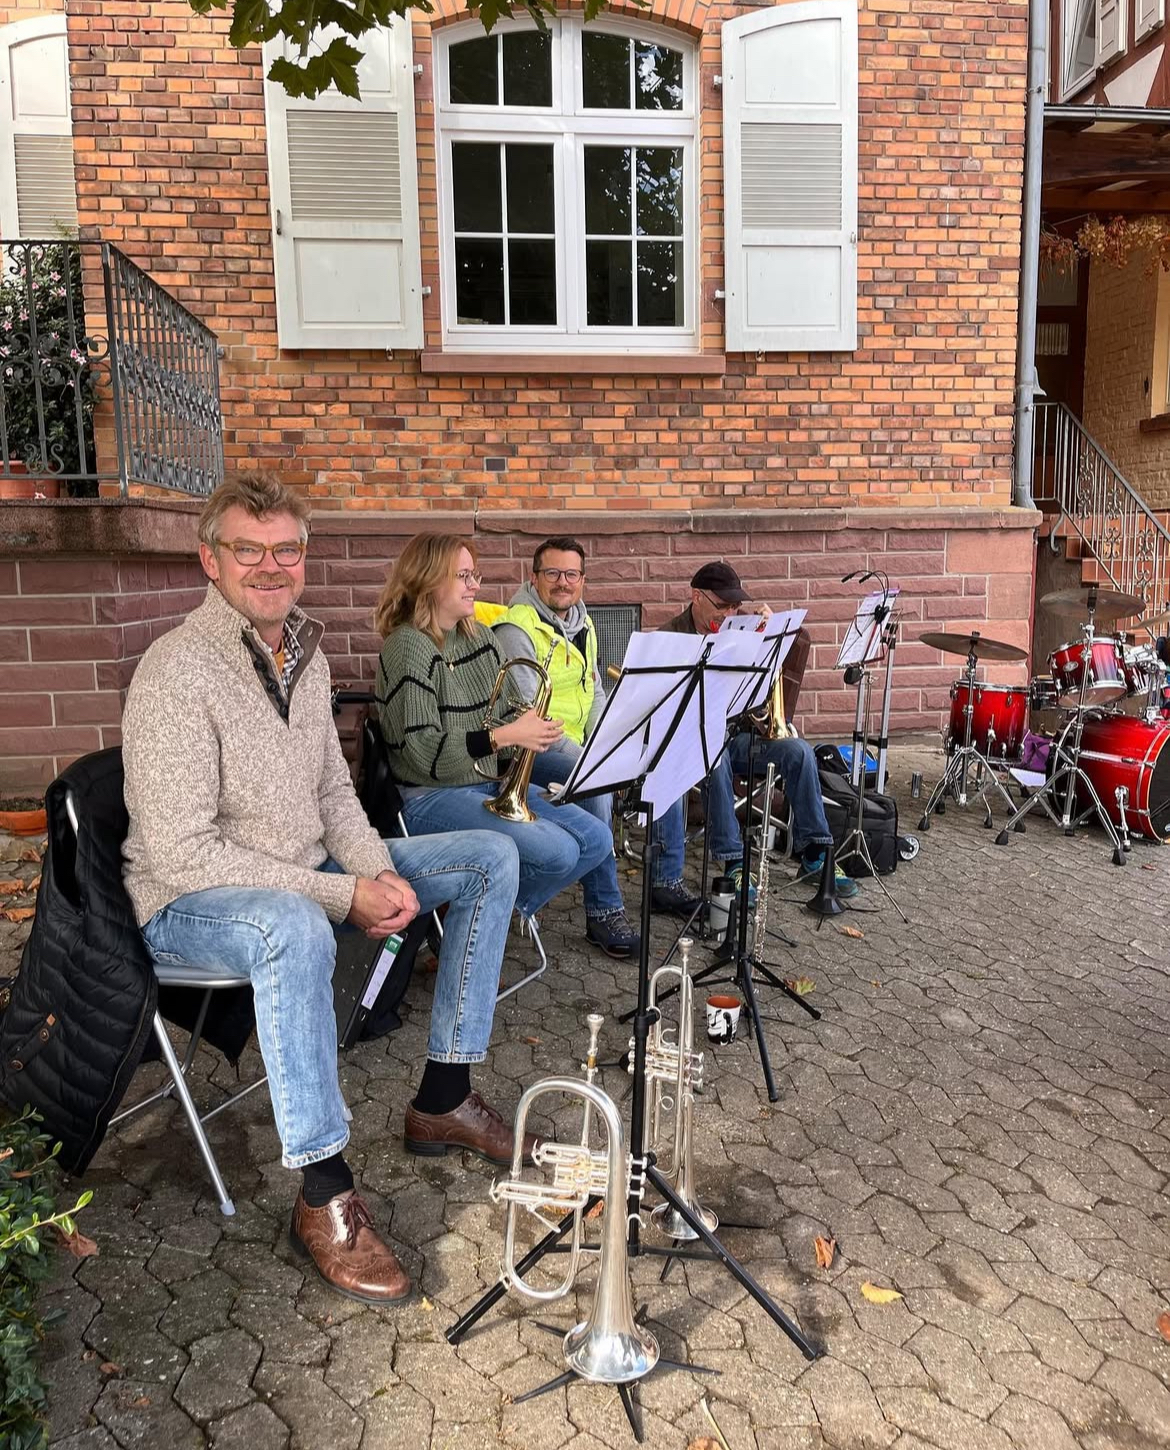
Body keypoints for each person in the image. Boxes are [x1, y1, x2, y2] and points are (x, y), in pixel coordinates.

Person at [122, 473, 530, 1308]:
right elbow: (181, 852)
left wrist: (374, 869)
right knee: (296, 927)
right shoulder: (176, 671)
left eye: (287, 549)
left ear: (304, 557)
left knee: (491, 855)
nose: (270, 566)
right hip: (187, 902)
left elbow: (334, 795)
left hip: (300, 869)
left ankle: (444, 1097)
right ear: (210, 560)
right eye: (248, 549)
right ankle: (322, 1191)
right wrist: (340, 898)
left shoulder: (303, 654)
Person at [373, 534, 616, 952]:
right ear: (429, 581)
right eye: (463, 576)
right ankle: (466, 924)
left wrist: (532, 727)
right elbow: (421, 752)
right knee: (557, 852)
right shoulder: (407, 646)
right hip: (429, 794)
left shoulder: (480, 638)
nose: (475, 586)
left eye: (475, 575)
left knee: (597, 839)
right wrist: (504, 735)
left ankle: (476, 911)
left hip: (487, 781)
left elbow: (508, 709)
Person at [651, 561, 858, 909]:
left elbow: (763, 692)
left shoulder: (743, 629)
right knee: (714, 755)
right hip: (691, 742)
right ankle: (734, 861)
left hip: (739, 735)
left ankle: (815, 852)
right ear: (696, 597)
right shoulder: (669, 637)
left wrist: (772, 637)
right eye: (722, 605)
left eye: (735, 606)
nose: (730, 613)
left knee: (799, 752)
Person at [493, 537, 641, 959]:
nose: (563, 582)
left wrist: (608, 743)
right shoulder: (516, 628)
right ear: (534, 577)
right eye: (553, 573)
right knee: (595, 784)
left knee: (647, 759)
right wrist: (590, 761)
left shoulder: (582, 622)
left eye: (571, 574)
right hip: (528, 751)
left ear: (583, 580)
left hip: (573, 747)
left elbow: (593, 692)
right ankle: (604, 910)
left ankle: (667, 883)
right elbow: (528, 711)